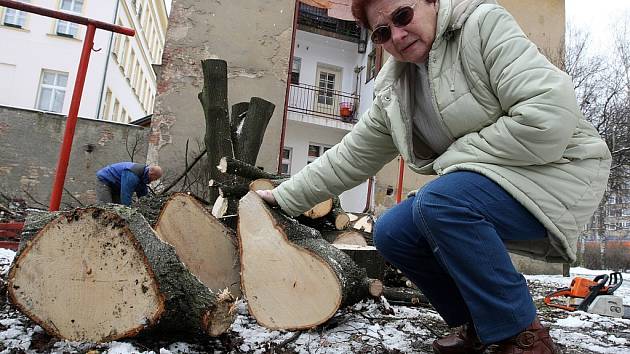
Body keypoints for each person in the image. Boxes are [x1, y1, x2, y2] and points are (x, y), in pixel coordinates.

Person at [257, 0, 611, 353]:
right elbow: (352, 155)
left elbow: (546, 118)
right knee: (393, 230)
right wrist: (285, 197)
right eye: (382, 33)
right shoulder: (395, 87)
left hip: (559, 170)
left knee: (439, 201)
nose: (397, 34)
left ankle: (524, 335)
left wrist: (453, 160)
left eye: (402, 15)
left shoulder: (482, 26)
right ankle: (478, 324)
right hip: (496, 179)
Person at [96, 162, 162, 206]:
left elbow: (143, 194)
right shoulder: (133, 174)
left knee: (117, 208)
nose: (155, 180)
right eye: (155, 178)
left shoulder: (143, 177)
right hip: (105, 180)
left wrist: (148, 204)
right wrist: (129, 211)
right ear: (151, 174)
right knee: (107, 207)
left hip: (116, 186)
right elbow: (125, 194)